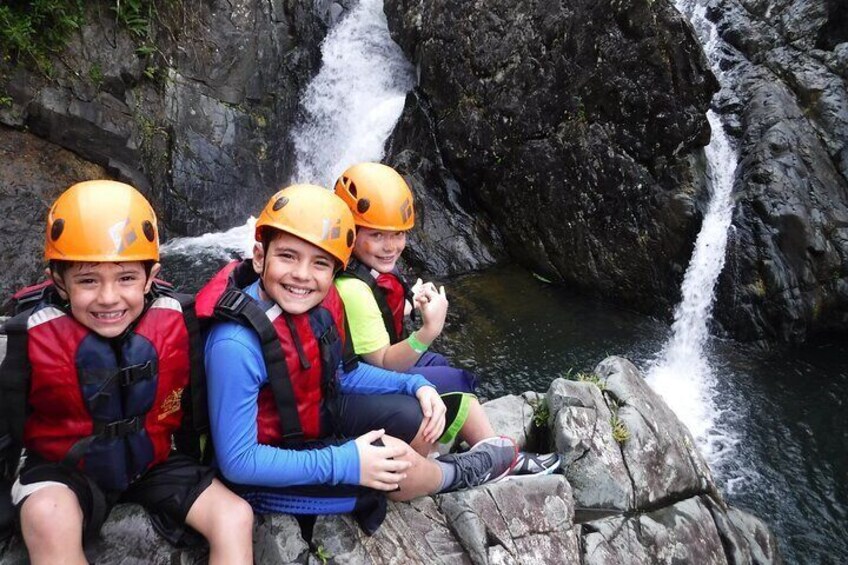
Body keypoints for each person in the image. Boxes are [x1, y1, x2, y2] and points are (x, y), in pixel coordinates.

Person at [199, 184, 519, 534]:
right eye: (288, 256)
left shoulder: (318, 303)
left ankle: (431, 461)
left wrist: (415, 384)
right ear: (260, 257)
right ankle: (456, 474)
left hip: (310, 420)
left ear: (336, 269)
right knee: (390, 458)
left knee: (414, 410)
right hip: (259, 472)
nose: (303, 275)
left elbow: (342, 373)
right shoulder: (235, 345)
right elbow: (239, 462)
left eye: (320, 262)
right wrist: (346, 462)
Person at [0, 181, 253, 565]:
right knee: (48, 518)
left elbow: (193, 408)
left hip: (151, 461)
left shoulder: (177, 320)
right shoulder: (25, 337)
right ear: (59, 281)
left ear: (151, 277)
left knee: (235, 516)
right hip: (62, 470)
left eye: (126, 278)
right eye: (87, 280)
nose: (108, 297)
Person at [333, 162, 560, 472]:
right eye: (377, 235)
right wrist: (428, 330)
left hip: (360, 372)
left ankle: (490, 450)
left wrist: (410, 304)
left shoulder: (361, 269)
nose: (391, 246)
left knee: (439, 366)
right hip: (354, 386)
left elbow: (375, 315)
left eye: (398, 235)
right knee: (451, 383)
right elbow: (383, 363)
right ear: (349, 231)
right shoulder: (352, 289)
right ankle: (436, 463)